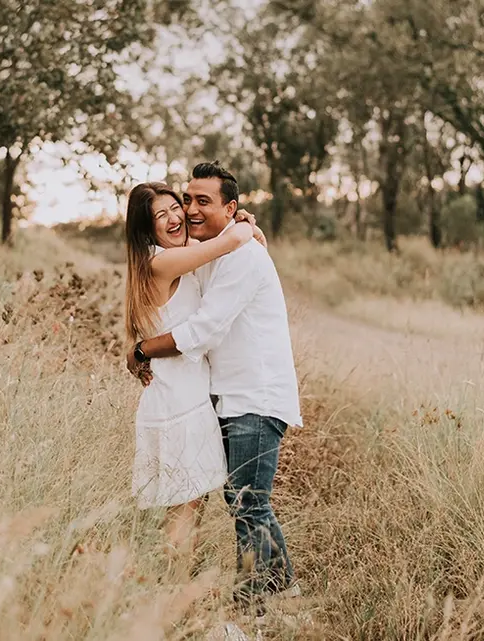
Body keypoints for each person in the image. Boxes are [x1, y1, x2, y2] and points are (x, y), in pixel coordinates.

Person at [127, 162, 302, 611]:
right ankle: (280, 593)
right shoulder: (205, 253)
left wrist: (144, 349)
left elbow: (202, 331)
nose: (188, 210)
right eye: (186, 200)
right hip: (217, 398)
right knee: (236, 500)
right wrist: (238, 229)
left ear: (230, 206)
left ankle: (258, 604)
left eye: (199, 201)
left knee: (246, 501)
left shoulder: (240, 255)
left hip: (254, 395)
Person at [123, 181, 264, 578]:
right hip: (179, 404)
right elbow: (228, 242)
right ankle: (174, 603)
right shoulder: (161, 262)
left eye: (174, 208)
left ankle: (173, 597)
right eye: (159, 216)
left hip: (175, 399)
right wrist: (242, 224)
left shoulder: (167, 260)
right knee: (184, 515)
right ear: (145, 229)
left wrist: (237, 221)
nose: (174, 218)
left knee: (186, 510)